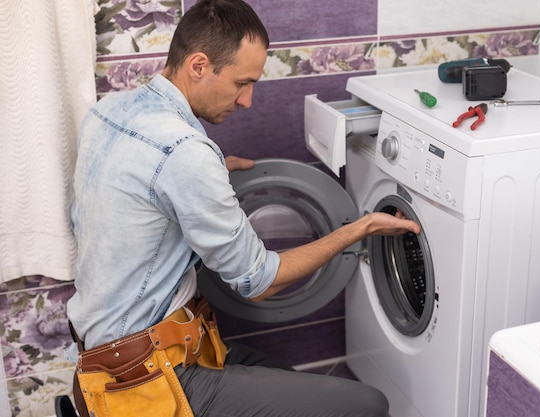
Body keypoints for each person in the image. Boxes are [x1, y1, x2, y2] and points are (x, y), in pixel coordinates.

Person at [66, 0, 421, 416]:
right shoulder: (184, 153)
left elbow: (117, 208)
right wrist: (356, 230)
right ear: (198, 66)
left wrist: (209, 170)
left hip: (106, 361)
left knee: (291, 380)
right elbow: (261, 282)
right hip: (148, 382)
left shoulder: (108, 113)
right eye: (241, 83)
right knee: (367, 405)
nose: (248, 100)